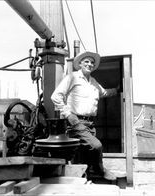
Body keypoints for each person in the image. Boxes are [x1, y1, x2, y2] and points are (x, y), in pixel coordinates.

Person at [51, 51, 119, 179]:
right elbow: (56, 96)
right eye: (86, 61)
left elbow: (103, 93)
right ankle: (101, 171)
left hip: (90, 123)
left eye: (92, 62)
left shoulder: (93, 82)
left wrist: (117, 90)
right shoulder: (72, 77)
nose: (90, 64)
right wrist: (68, 114)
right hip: (76, 121)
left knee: (85, 154)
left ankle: (85, 178)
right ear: (80, 64)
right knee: (96, 145)